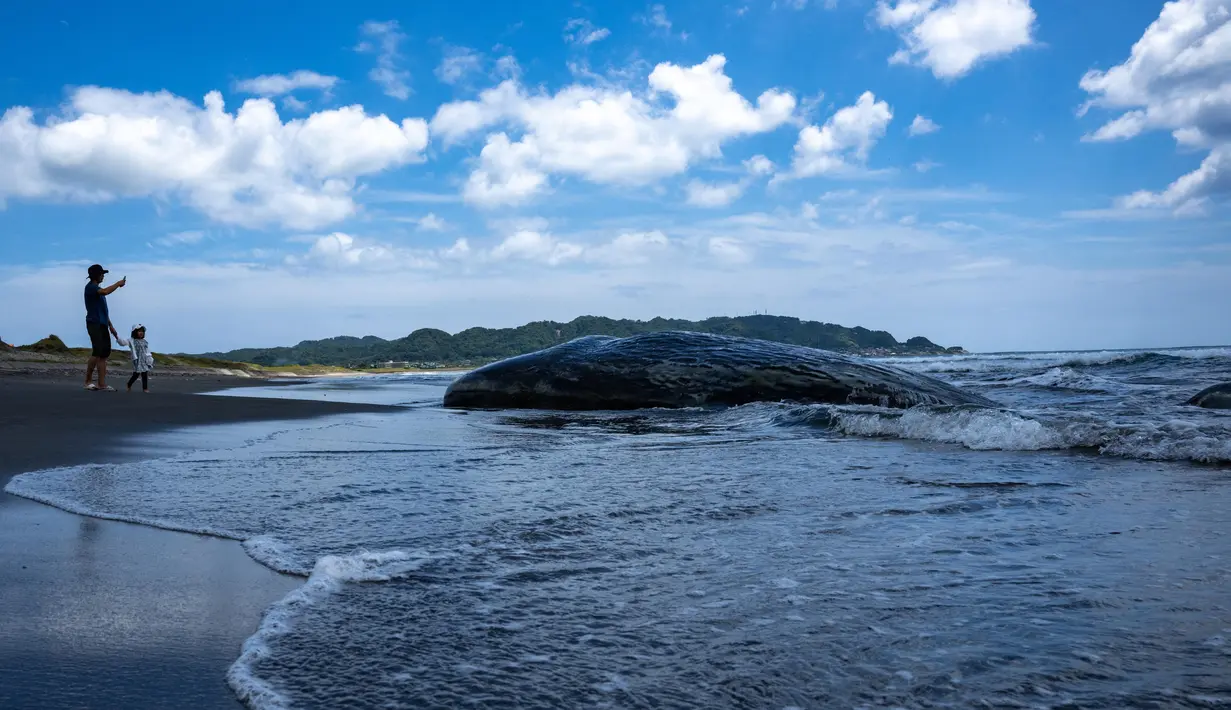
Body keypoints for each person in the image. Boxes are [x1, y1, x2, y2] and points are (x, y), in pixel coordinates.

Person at [83, 264, 126, 391]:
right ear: (96, 275)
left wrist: (111, 326)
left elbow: (103, 311)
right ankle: (88, 381)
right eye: (102, 274)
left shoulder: (97, 289)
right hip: (93, 322)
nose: (103, 276)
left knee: (104, 354)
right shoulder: (91, 287)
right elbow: (105, 292)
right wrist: (118, 284)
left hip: (102, 324)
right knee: (96, 352)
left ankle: (101, 384)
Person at [120, 324, 154, 393]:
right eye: (139, 331)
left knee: (145, 373)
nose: (141, 333)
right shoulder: (131, 340)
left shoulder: (144, 341)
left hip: (144, 360)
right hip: (137, 360)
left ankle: (145, 388)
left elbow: (147, 350)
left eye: (142, 331)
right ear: (135, 332)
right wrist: (117, 337)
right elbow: (123, 343)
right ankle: (129, 384)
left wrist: (150, 358)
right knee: (136, 374)